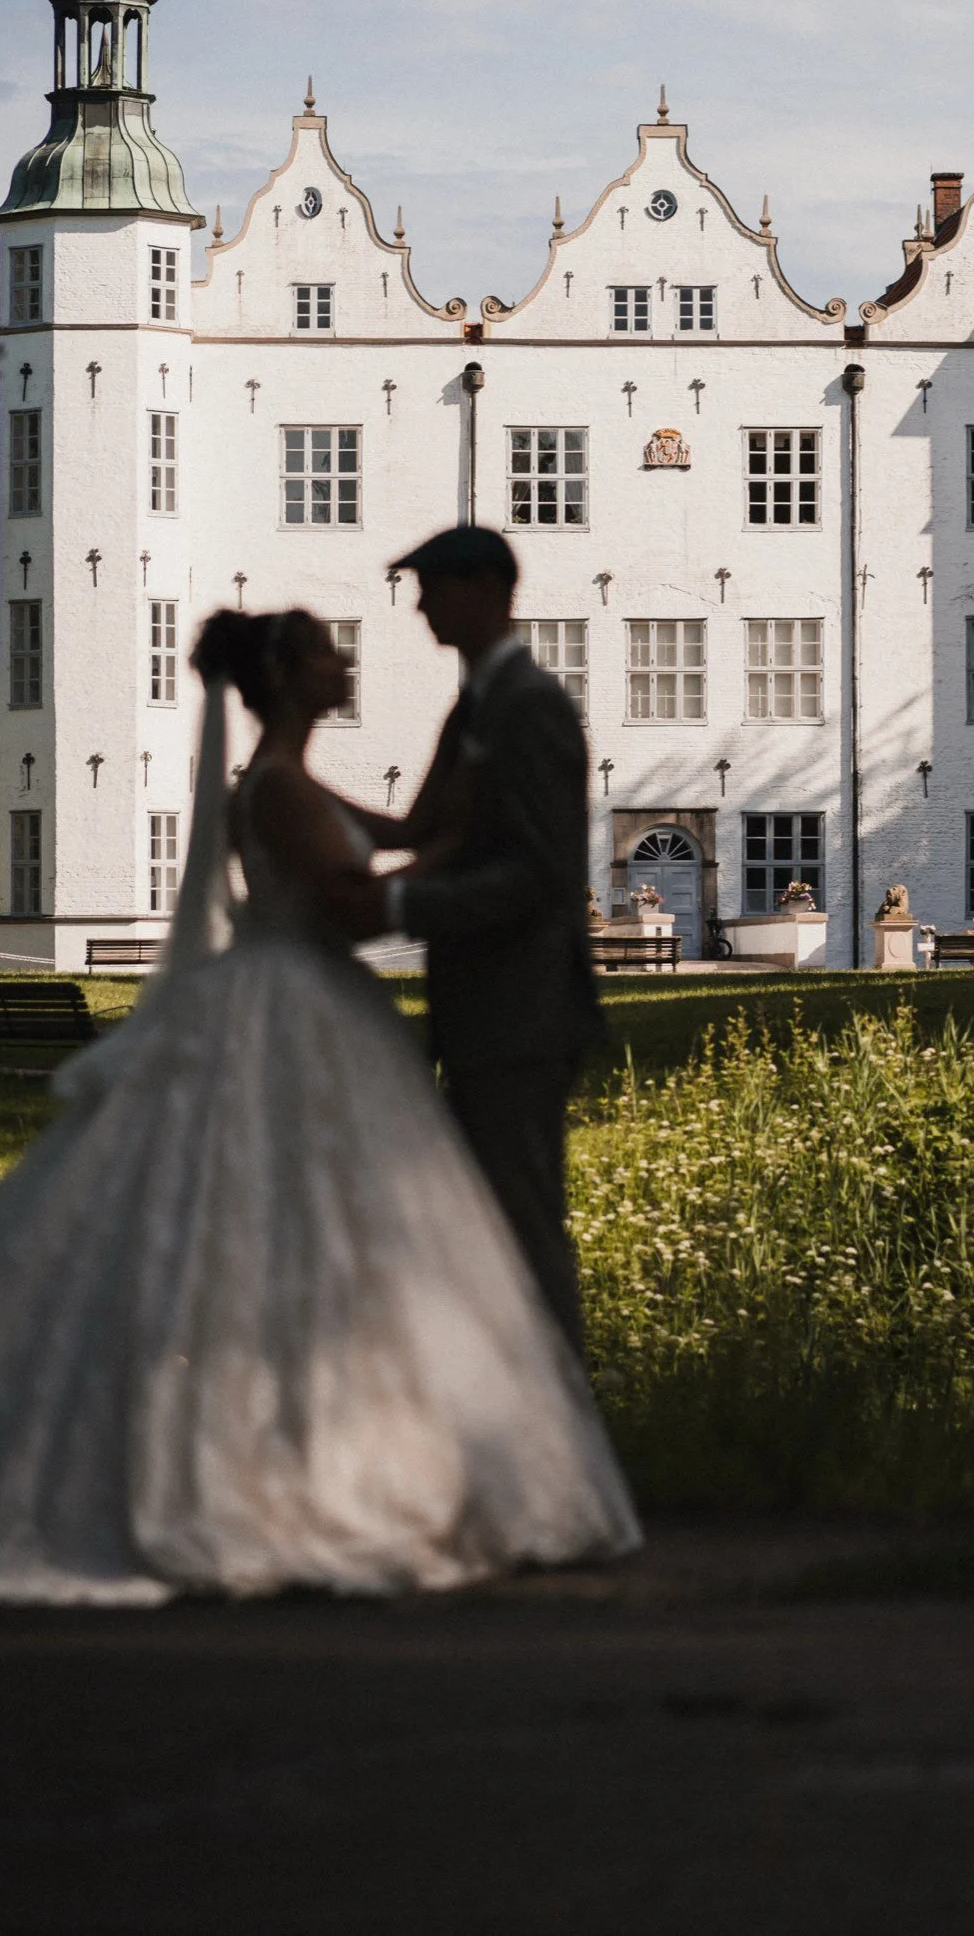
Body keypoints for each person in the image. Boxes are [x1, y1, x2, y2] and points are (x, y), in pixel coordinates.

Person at [0, 608, 638, 1603]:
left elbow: (410, 829)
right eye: (327, 651)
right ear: (289, 676)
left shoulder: (290, 779)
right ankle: (287, 1458)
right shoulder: (279, 788)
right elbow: (352, 902)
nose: (345, 661)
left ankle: (310, 1438)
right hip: (293, 1001)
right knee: (305, 1217)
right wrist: (446, 868)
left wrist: (467, 732)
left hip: (311, 999)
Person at [365, 527, 602, 1353]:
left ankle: (563, 1405)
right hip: (483, 1014)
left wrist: (401, 906)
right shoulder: (475, 704)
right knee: (485, 1230)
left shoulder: (528, 707)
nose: (419, 606)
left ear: (485, 590)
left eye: (431, 587)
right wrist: (285, 797)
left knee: (524, 1228)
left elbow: (539, 876)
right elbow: (420, 826)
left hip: (522, 1014)